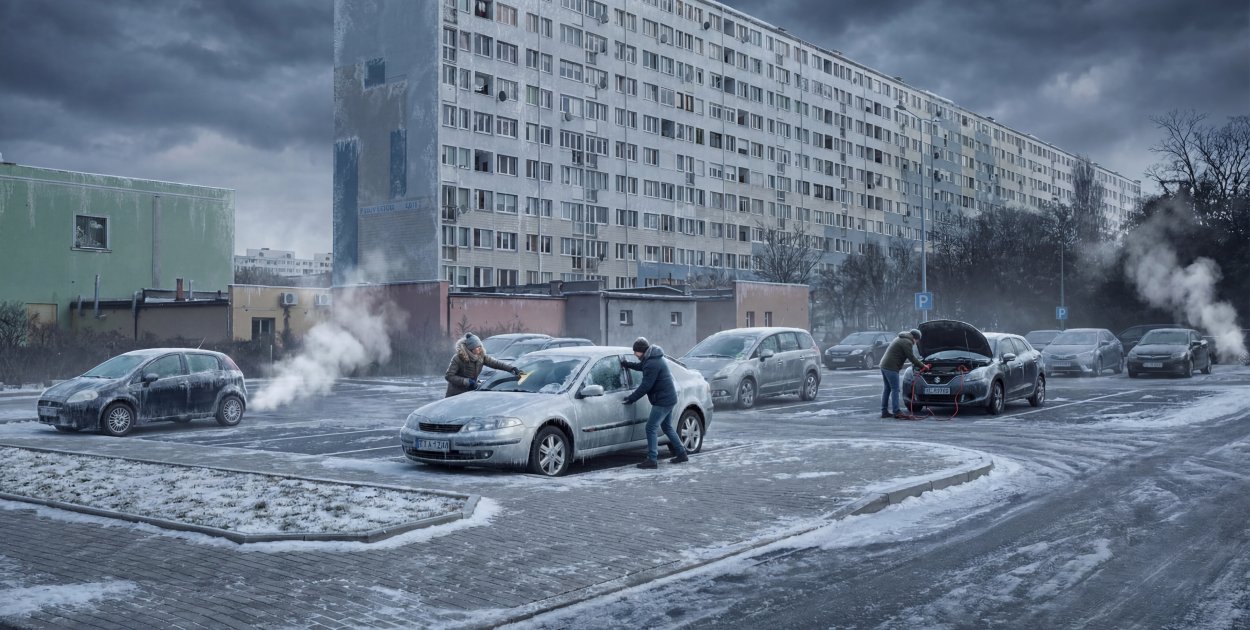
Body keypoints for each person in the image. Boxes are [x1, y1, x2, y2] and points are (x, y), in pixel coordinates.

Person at [621, 337, 689, 469]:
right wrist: (628, 364)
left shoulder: (652, 363)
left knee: (651, 427)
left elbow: (646, 385)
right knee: (667, 427)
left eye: (636, 352)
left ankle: (652, 459)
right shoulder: (653, 359)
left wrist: (631, 398)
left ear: (642, 351)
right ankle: (681, 453)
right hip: (668, 398)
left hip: (663, 401)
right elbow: (641, 367)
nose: (635, 354)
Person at [444, 333, 520, 398]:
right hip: (455, 394)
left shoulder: (481, 357)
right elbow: (449, 376)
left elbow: (496, 363)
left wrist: (511, 368)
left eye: (480, 346)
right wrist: (466, 381)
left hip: (470, 393)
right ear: (470, 348)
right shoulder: (458, 358)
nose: (480, 349)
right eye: (477, 347)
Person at [879, 328, 929, 418]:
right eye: (917, 341)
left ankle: (884, 411)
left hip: (884, 365)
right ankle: (896, 411)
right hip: (891, 367)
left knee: (887, 389)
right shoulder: (907, 342)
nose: (916, 343)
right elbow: (911, 357)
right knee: (895, 389)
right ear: (915, 338)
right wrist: (923, 366)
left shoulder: (900, 338)